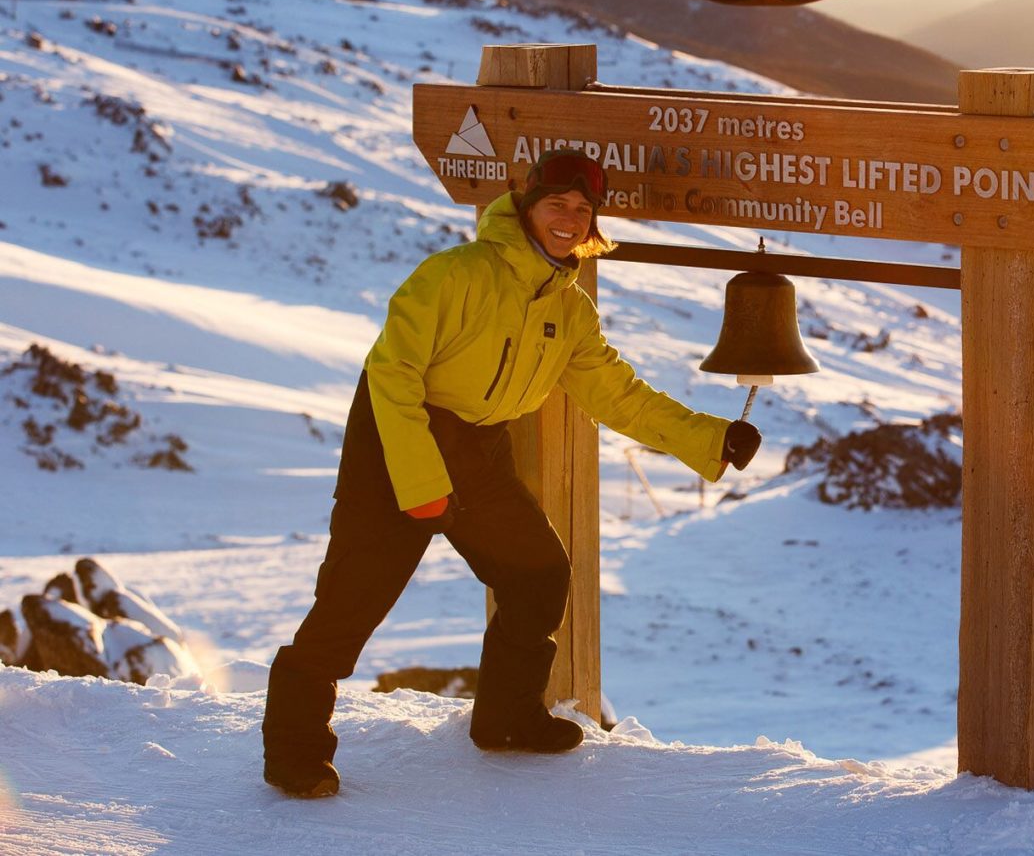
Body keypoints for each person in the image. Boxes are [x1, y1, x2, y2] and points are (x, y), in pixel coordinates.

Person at [262, 149, 761, 798]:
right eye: (558, 203)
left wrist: (711, 437)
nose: (571, 218)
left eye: (584, 209)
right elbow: (392, 374)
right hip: (395, 435)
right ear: (526, 204)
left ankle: (505, 717)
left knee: (537, 570)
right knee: (354, 597)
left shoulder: (570, 306)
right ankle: (293, 751)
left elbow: (618, 393)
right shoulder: (455, 274)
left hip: (477, 445)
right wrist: (420, 484)